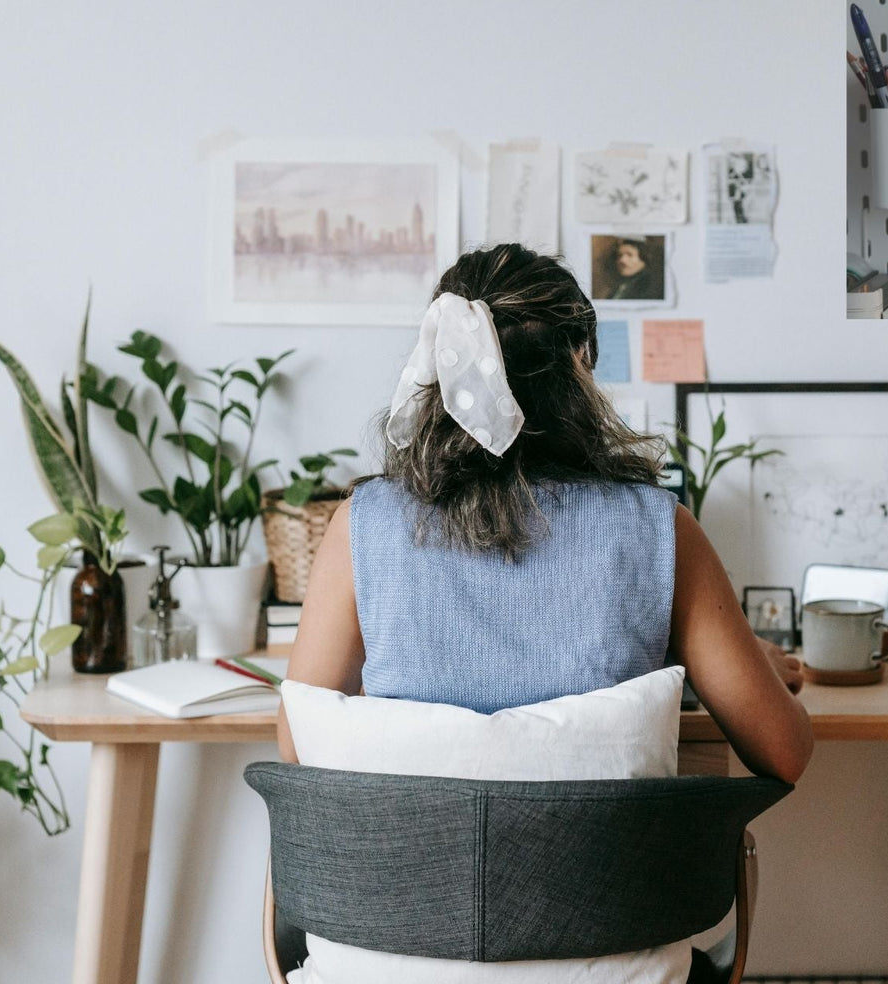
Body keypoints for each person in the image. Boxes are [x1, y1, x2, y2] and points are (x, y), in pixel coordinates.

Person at [277, 243, 811, 784]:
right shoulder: (659, 528)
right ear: (581, 364)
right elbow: (784, 754)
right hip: (606, 871)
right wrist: (743, 667)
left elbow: (296, 743)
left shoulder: (362, 525)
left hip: (406, 868)